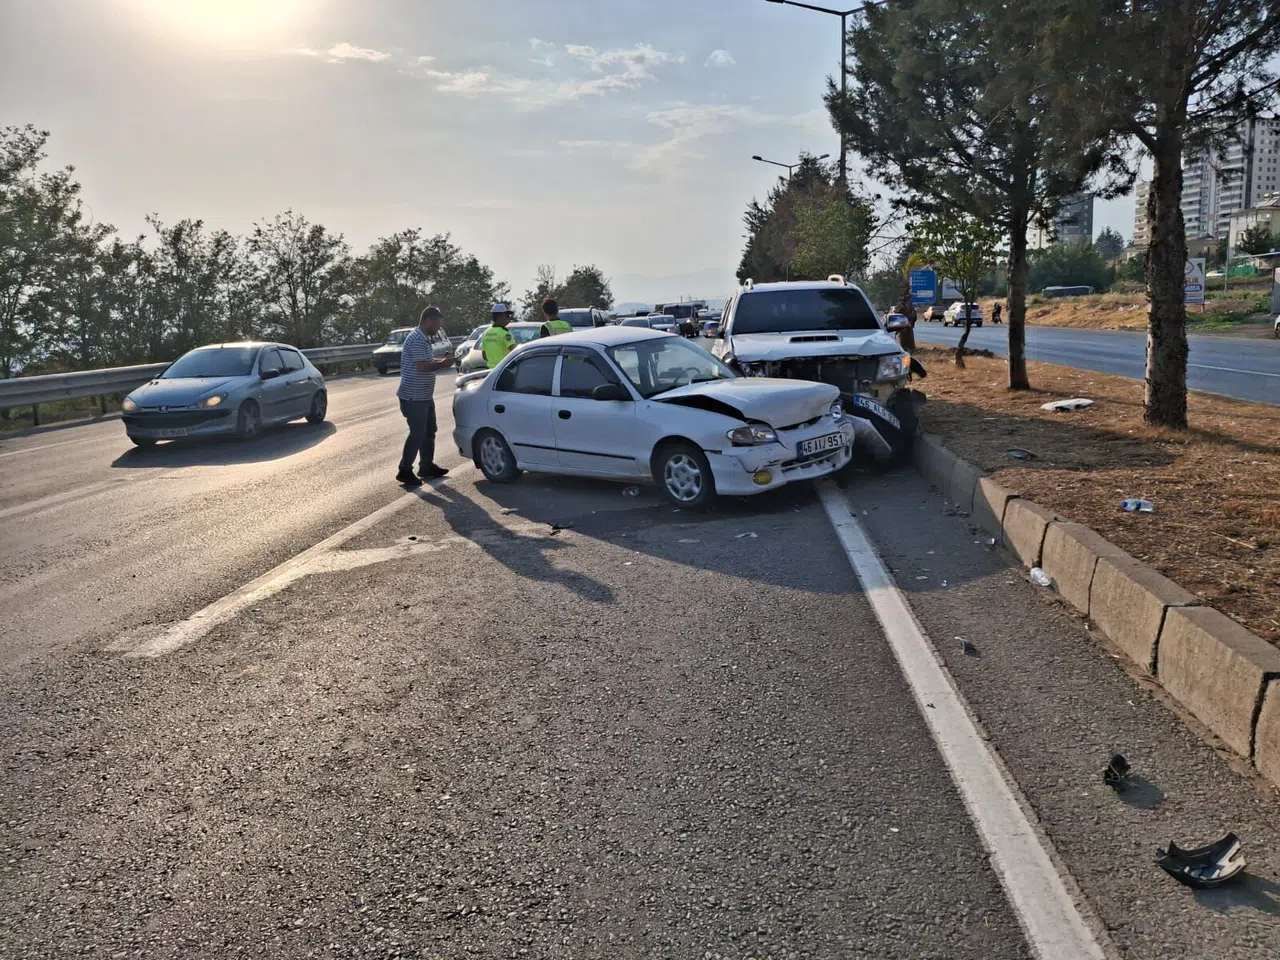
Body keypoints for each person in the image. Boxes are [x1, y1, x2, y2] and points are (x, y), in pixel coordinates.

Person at [395, 306, 455, 488]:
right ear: (429, 320)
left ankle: (426, 467)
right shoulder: (417, 339)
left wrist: (442, 361)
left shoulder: (423, 339)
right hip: (413, 397)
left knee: (429, 431)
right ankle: (405, 470)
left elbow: (426, 362)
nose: (439, 327)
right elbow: (421, 366)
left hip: (423, 396)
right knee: (417, 433)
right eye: (437, 323)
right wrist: (443, 364)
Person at [480, 302, 517, 368]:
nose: (509, 318)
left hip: (490, 371)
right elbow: (515, 351)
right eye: (507, 315)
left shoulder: (486, 333)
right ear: (499, 316)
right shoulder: (505, 333)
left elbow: (484, 356)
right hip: (504, 369)